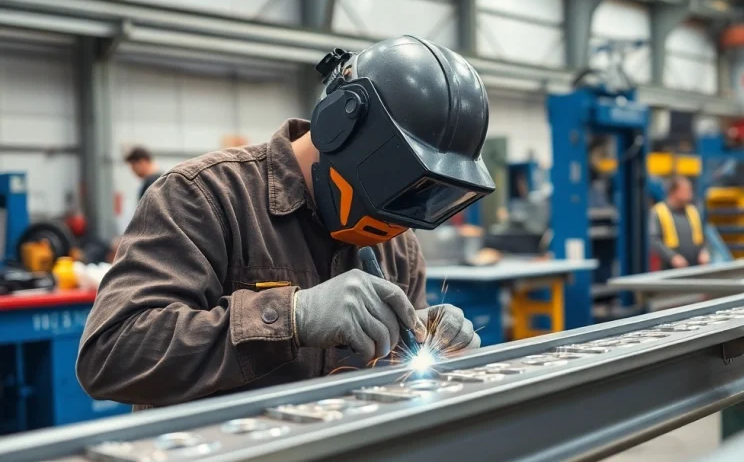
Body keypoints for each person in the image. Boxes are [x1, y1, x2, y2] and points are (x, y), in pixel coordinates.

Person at [78, 36, 494, 410]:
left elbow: (404, 370)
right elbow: (110, 355)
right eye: (401, 185)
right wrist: (291, 317)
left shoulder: (397, 244)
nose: (401, 217)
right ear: (339, 128)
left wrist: (432, 339)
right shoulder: (204, 196)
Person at [649, 175, 710, 270]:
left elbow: (703, 236)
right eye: (687, 190)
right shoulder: (658, 212)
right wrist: (672, 257)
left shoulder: (693, 210)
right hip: (669, 269)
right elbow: (653, 239)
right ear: (674, 192)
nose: (691, 194)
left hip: (695, 268)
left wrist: (704, 251)